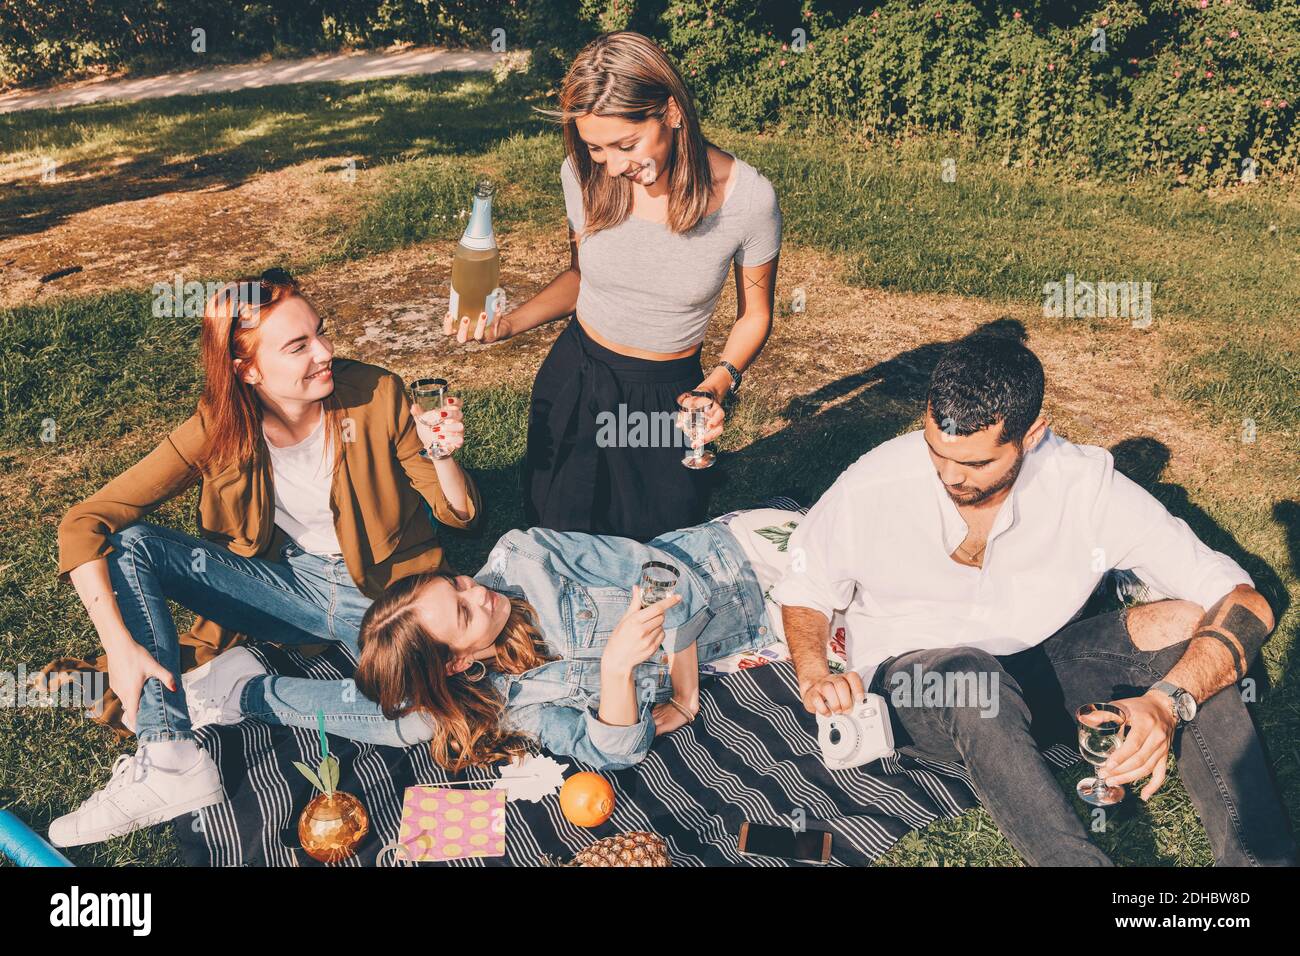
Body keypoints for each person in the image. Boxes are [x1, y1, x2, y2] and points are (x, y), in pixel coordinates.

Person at [772, 335, 1297, 866]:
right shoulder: (876, 481)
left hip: (1034, 675)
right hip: (919, 689)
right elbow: (805, 585)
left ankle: (1259, 862)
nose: (951, 475)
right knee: (969, 674)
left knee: (1188, 625)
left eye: (976, 463)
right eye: (937, 453)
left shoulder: (1083, 487)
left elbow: (1244, 601)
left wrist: (1168, 700)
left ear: (1032, 433)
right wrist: (815, 672)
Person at [47, 270, 481, 847]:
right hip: (284, 586)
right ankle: (171, 756)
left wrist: (442, 454)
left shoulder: (376, 394)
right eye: (298, 346)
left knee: (425, 717)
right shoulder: (217, 429)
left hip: (384, 602)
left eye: (320, 334)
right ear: (246, 369)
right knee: (132, 546)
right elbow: (86, 523)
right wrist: (120, 648)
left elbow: (460, 514)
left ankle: (239, 691)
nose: (325, 352)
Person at [444, 31, 782, 542]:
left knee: (657, 544)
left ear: (670, 112)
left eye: (626, 145)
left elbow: (754, 315)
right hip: (574, 376)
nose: (615, 165)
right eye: (597, 148)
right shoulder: (584, 174)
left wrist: (716, 385)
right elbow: (582, 277)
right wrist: (507, 325)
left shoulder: (749, 200)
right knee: (559, 532)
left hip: (666, 395)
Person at [174, 510, 797, 772]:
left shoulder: (528, 558)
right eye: (466, 615)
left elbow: (673, 578)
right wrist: (614, 676)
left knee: (414, 720)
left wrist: (683, 698)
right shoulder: (509, 701)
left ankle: (251, 692)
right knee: (417, 720)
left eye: (459, 585)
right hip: (764, 630)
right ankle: (252, 692)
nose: (481, 594)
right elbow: (614, 751)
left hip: (740, 560)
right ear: (462, 660)